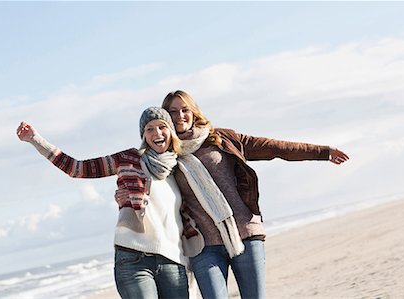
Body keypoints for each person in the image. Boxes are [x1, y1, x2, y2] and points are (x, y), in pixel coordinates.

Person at [116, 90, 349, 299]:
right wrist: (125, 194)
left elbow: (275, 147)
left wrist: (323, 152)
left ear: (194, 112)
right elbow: (143, 182)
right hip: (204, 246)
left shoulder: (222, 138)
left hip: (245, 234)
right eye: (173, 112)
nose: (179, 116)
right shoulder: (163, 157)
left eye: (184, 110)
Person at [16, 107, 190, 299]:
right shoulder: (128, 160)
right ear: (144, 135)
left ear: (170, 131)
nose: (156, 133)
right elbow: (77, 168)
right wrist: (35, 139)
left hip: (173, 260)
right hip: (134, 259)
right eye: (149, 129)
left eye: (161, 127)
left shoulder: (181, 166)